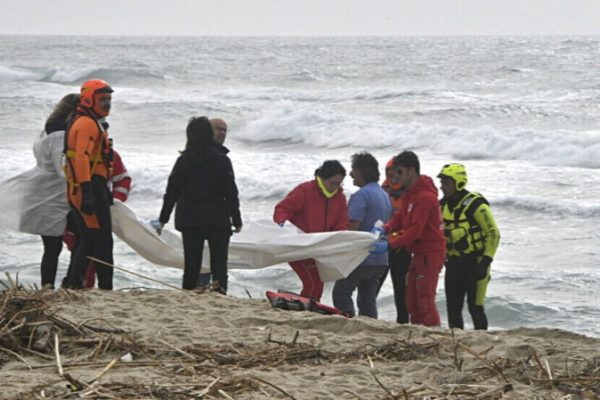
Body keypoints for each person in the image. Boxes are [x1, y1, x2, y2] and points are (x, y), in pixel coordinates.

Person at [157, 116, 242, 292]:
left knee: (192, 264)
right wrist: (237, 220)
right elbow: (231, 193)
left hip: (190, 220)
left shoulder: (184, 160)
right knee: (219, 264)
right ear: (209, 134)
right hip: (217, 219)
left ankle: (188, 294)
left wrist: (163, 219)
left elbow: (171, 192)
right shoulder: (222, 160)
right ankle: (220, 294)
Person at [373, 151, 446, 327]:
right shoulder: (410, 194)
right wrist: (386, 227)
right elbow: (401, 218)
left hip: (430, 252)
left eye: (400, 173)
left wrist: (390, 244)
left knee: (425, 298)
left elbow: (415, 230)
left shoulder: (425, 197)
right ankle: (418, 330)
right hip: (418, 252)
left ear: (411, 171)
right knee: (411, 298)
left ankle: (433, 333)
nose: (396, 178)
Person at [64, 79, 115, 290]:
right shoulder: (86, 124)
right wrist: (88, 193)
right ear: (88, 99)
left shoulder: (90, 121)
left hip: (91, 186)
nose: (107, 104)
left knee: (89, 239)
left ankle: (74, 283)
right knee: (101, 241)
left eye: (109, 99)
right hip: (88, 187)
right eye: (103, 99)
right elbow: (81, 158)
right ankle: (105, 288)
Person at [273, 160, 348, 300]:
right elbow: (283, 209)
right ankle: (308, 309)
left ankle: (305, 305)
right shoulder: (305, 190)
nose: (336, 187)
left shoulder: (340, 198)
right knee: (314, 284)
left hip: (319, 248)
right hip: (298, 246)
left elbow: (341, 224)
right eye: (333, 183)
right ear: (323, 178)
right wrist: (282, 223)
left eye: (339, 183)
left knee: (316, 284)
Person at [438, 163, 500, 330]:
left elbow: (493, 233)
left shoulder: (476, 205)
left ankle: (483, 341)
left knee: (475, 308)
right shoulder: (442, 206)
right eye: (442, 183)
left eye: (446, 183)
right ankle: (456, 343)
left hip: (476, 263)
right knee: (453, 308)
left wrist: (485, 262)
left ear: (458, 183)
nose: (442, 187)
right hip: (454, 264)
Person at [332, 152, 391, 318]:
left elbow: (353, 228)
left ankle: (347, 322)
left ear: (362, 171)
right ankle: (369, 326)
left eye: (353, 170)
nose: (350, 174)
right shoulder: (383, 195)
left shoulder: (361, 195)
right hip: (381, 259)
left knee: (341, 293)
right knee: (367, 300)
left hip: (362, 257)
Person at [63, 148, 132, 288]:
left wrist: (115, 201)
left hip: (97, 207)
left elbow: (123, 179)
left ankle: (87, 286)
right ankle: (78, 285)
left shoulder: (110, 156)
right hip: (72, 210)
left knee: (92, 249)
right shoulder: (74, 155)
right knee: (82, 248)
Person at [37, 94, 79, 288]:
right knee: (82, 239)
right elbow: (63, 170)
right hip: (57, 197)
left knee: (52, 248)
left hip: (46, 195)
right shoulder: (60, 136)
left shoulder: (45, 132)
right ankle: (68, 283)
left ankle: (49, 287)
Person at [378, 158, 412, 323]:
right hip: (383, 247)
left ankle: (403, 323)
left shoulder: (412, 193)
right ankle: (366, 318)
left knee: (402, 291)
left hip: (401, 248)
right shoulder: (382, 191)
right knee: (372, 288)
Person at [198, 117, 230, 287]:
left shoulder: (223, 156)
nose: (222, 133)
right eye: (218, 129)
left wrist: (235, 218)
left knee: (219, 263)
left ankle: (219, 291)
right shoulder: (194, 154)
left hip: (218, 218)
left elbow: (230, 191)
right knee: (199, 259)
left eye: (225, 130)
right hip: (198, 217)